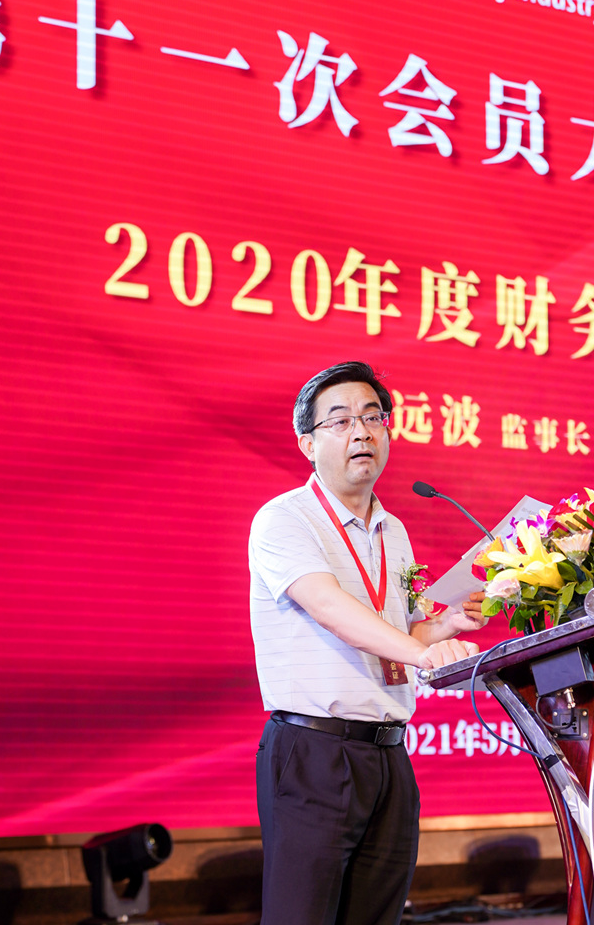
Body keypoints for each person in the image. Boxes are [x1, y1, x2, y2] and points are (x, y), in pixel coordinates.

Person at [248, 361, 488, 925]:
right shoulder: (284, 519)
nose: (361, 431)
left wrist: (445, 626)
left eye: (373, 417)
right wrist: (424, 652)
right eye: (340, 421)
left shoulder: (393, 530)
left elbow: (396, 636)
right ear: (308, 444)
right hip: (314, 751)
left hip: (389, 753)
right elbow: (330, 608)